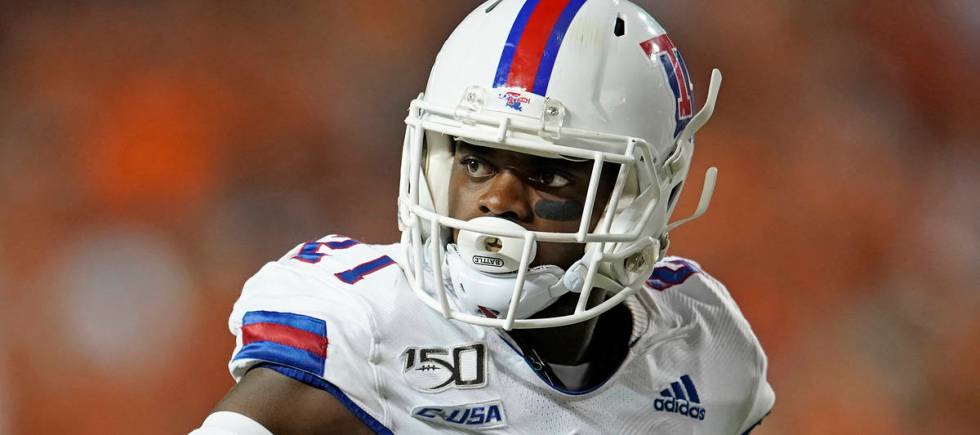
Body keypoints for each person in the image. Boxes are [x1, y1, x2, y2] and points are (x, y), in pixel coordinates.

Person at [193, 0, 774, 433]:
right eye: (475, 161)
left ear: (640, 199)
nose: (497, 200)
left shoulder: (701, 344)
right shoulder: (368, 322)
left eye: (547, 173)